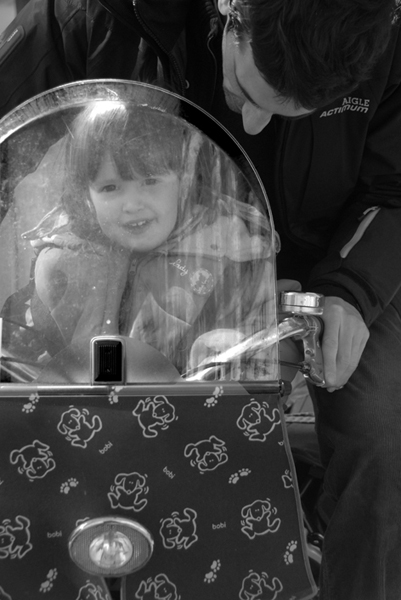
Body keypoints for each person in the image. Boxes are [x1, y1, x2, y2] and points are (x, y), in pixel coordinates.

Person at [0, 0, 401, 597]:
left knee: (381, 437)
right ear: (233, 10)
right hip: (133, 254)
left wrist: (350, 291)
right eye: (245, 90)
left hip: (333, 265)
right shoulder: (99, 15)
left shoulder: (384, 34)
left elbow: (394, 188)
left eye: (293, 113)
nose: (255, 126)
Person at [10, 99, 275, 376]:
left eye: (150, 181)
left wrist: (231, 354)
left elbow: (267, 348)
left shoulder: (230, 253)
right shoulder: (65, 259)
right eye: (110, 188)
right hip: (90, 399)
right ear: (86, 195)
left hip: (192, 399)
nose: (132, 204)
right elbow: (34, 350)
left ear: (183, 180)